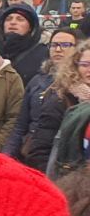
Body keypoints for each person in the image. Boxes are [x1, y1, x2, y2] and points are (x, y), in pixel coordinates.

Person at [7, 29, 81, 165]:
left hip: (66, 156)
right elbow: (20, 124)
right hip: (33, 151)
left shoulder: (82, 82)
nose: (58, 49)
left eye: (65, 45)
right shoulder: (37, 80)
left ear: (77, 48)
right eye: (53, 45)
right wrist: (7, 156)